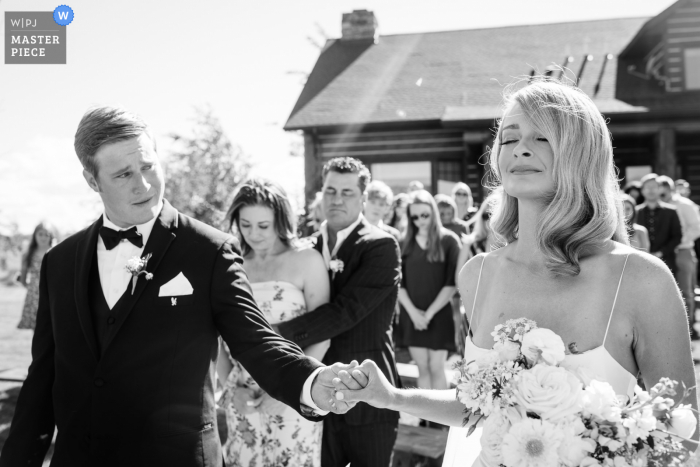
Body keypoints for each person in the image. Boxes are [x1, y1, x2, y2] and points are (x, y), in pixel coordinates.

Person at [331, 80, 698, 466]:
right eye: (508, 139)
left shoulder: (641, 279)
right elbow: (478, 405)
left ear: (583, 154)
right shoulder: (478, 275)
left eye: (542, 137)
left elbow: (684, 436)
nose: (521, 148)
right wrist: (392, 396)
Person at [0, 107, 359, 467]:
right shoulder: (59, 261)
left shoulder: (210, 250)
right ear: (92, 181)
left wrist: (312, 382)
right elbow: (44, 375)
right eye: (123, 174)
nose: (142, 185)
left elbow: (255, 342)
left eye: (148, 166)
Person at [275, 157, 402, 467]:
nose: (336, 199)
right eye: (330, 191)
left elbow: (345, 313)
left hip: (367, 390)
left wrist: (277, 335)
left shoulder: (381, 246)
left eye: (347, 192)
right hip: (314, 387)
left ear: (363, 197)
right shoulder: (304, 249)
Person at [218, 178, 330, 466]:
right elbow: (217, 336)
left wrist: (293, 389)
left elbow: (323, 333)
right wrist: (231, 390)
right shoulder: (231, 264)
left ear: (281, 221)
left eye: (263, 226)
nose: (253, 234)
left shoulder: (307, 260)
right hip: (242, 396)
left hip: (296, 394)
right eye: (245, 224)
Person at [398, 190, 460, 393]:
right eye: (414, 217)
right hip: (412, 314)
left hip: (439, 314)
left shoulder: (449, 241)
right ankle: (426, 419)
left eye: (424, 215)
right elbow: (399, 284)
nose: (420, 220)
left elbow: (452, 283)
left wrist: (429, 314)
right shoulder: (403, 243)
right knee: (422, 368)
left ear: (433, 212)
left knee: (436, 367)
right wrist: (415, 315)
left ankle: (441, 420)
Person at [658, 175, 700, 336]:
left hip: (683, 251)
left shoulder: (685, 204)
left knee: (685, 291)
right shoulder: (659, 206)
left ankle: (688, 328)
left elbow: (696, 228)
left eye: (663, 189)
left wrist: (678, 242)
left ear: (669, 189)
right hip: (664, 252)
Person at [636, 173, 682, 274]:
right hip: (640, 262)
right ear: (642, 190)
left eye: (654, 186)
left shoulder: (671, 211)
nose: (651, 190)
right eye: (647, 187)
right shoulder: (636, 212)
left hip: (667, 261)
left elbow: (677, 237)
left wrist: (661, 252)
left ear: (660, 189)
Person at [17, 221, 57, 330]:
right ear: (35, 235)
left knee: (53, 326)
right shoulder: (28, 253)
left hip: (52, 294)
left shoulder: (56, 252)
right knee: (37, 327)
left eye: (46, 234)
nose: (43, 237)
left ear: (51, 236)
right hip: (34, 296)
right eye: (40, 234)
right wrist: (32, 288)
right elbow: (23, 277)